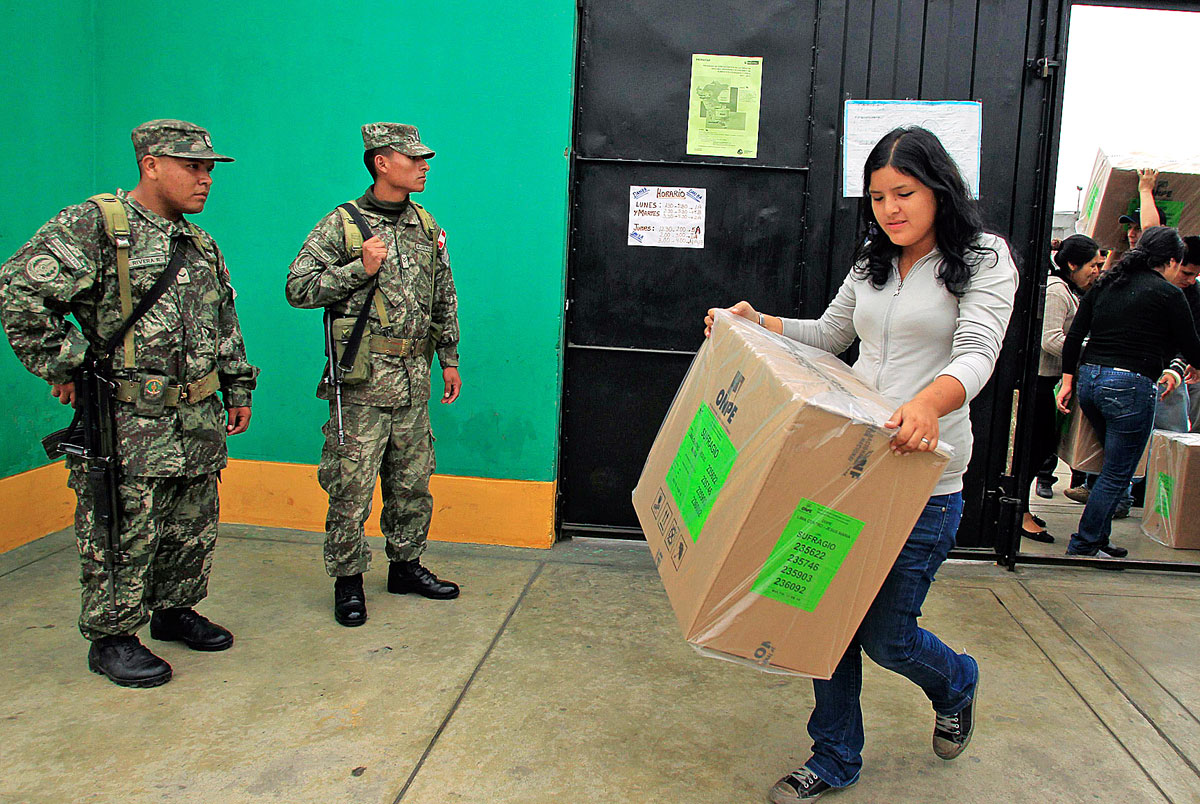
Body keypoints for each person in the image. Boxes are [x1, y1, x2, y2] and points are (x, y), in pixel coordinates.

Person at [705, 126, 1017, 801]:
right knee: (825, 619)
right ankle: (835, 755)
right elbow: (830, 335)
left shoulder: (984, 258)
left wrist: (930, 404)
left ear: (939, 188)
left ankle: (957, 681)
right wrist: (761, 322)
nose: (889, 210)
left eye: (903, 193)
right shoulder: (874, 261)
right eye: (877, 197)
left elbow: (978, 352)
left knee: (888, 639)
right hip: (847, 464)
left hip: (924, 476)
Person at [0, 119, 258, 687]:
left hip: (196, 417)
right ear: (150, 164)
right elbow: (18, 293)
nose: (204, 180)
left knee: (191, 521)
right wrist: (69, 364)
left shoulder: (198, 242)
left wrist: (237, 387)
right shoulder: (96, 225)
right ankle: (112, 636)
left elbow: (224, 322)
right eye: (192, 166)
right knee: (121, 526)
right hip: (127, 420)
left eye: (209, 169)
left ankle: (174, 609)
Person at [286, 123, 462, 627]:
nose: (425, 165)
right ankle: (348, 582)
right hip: (362, 383)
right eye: (413, 158)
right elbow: (297, 288)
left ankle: (406, 566)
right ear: (382, 162)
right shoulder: (343, 225)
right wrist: (356, 270)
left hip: (413, 380)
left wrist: (448, 356)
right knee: (351, 485)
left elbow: (442, 292)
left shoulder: (425, 225)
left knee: (412, 481)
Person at [1056, 226, 1200, 557]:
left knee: (1112, 464)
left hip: (1090, 380)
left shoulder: (1107, 283)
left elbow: (1076, 335)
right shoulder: (1168, 294)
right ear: (1173, 260)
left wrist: (1067, 382)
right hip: (1130, 386)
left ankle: (1099, 537)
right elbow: (1192, 347)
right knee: (1118, 473)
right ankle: (1086, 542)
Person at [1023, 235, 1102, 542]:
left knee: (1041, 447)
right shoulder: (1056, 292)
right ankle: (1021, 513)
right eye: (1093, 265)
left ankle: (1023, 508)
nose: (1096, 270)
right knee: (1036, 449)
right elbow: (1050, 339)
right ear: (1072, 264)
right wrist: (1089, 349)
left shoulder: (1070, 290)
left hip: (1049, 382)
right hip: (1038, 383)